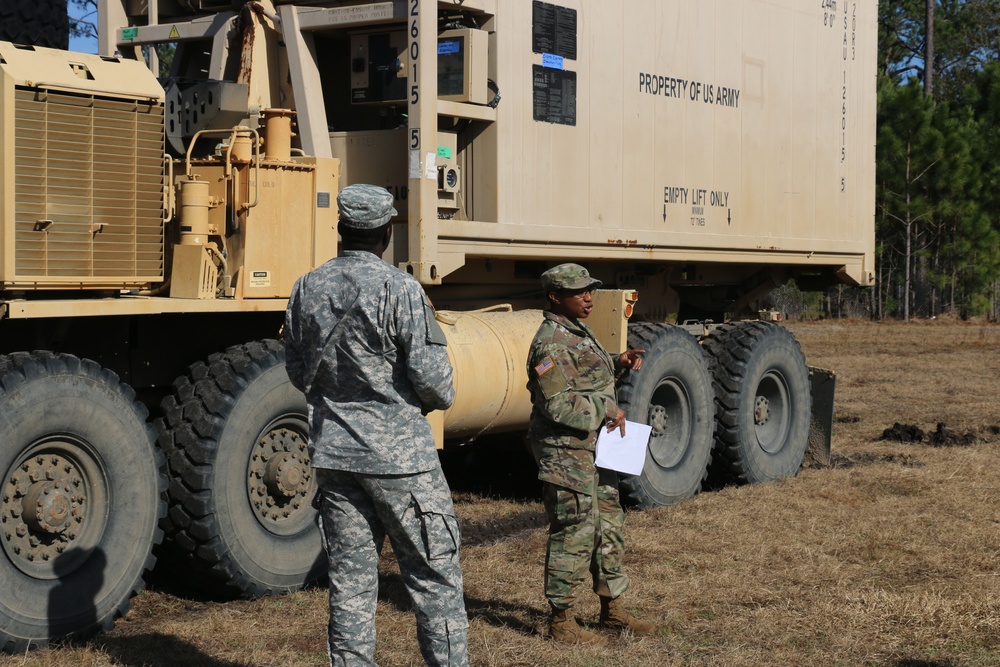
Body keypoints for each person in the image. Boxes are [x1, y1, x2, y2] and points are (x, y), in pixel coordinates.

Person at [284, 184, 468, 666]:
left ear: (341, 230)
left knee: (350, 587)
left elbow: (299, 372)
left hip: (335, 458)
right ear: (387, 232)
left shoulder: (306, 288)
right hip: (401, 462)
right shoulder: (401, 289)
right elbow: (437, 385)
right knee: (435, 580)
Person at [525, 263, 657, 645]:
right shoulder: (550, 343)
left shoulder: (576, 331)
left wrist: (619, 362)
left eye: (590, 290)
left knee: (608, 526)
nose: (588, 297)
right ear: (555, 297)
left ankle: (612, 611)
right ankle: (562, 621)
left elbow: (582, 375)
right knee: (574, 530)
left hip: (593, 449)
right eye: (579, 291)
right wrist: (607, 410)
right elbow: (557, 405)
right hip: (566, 452)